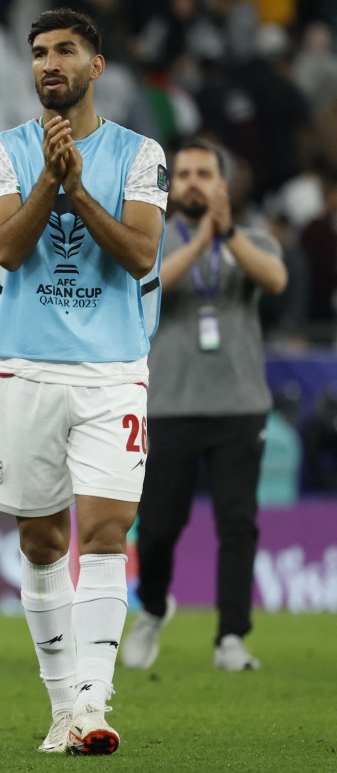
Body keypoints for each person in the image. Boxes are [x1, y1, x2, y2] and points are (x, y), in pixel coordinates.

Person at [0, 8, 168, 756]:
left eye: (65, 51)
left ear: (97, 65)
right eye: (39, 53)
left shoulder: (139, 153)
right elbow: (7, 249)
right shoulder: (2, 151)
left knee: (108, 530)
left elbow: (141, 255)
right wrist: (50, 185)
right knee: (42, 538)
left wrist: (80, 190)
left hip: (114, 369)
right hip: (25, 363)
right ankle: (61, 706)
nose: (49, 63)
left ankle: (92, 699)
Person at [122, 139, 286, 673]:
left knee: (238, 524)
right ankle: (151, 610)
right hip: (170, 404)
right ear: (171, 185)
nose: (193, 181)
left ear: (223, 182)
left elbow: (275, 280)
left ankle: (231, 638)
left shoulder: (254, 238)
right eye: (184, 173)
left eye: (204, 173)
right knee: (161, 525)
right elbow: (151, 284)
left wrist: (229, 234)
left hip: (240, 405)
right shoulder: (153, 240)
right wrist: (202, 243)